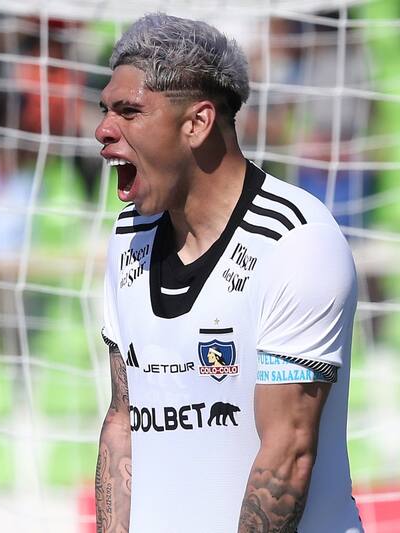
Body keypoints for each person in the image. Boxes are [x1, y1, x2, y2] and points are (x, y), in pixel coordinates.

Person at [94, 13, 362, 533]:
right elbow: (122, 421)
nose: (103, 130)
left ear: (197, 123)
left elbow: (287, 453)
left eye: (129, 111)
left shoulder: (295, 241)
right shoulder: (129, 235)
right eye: (106, 110)